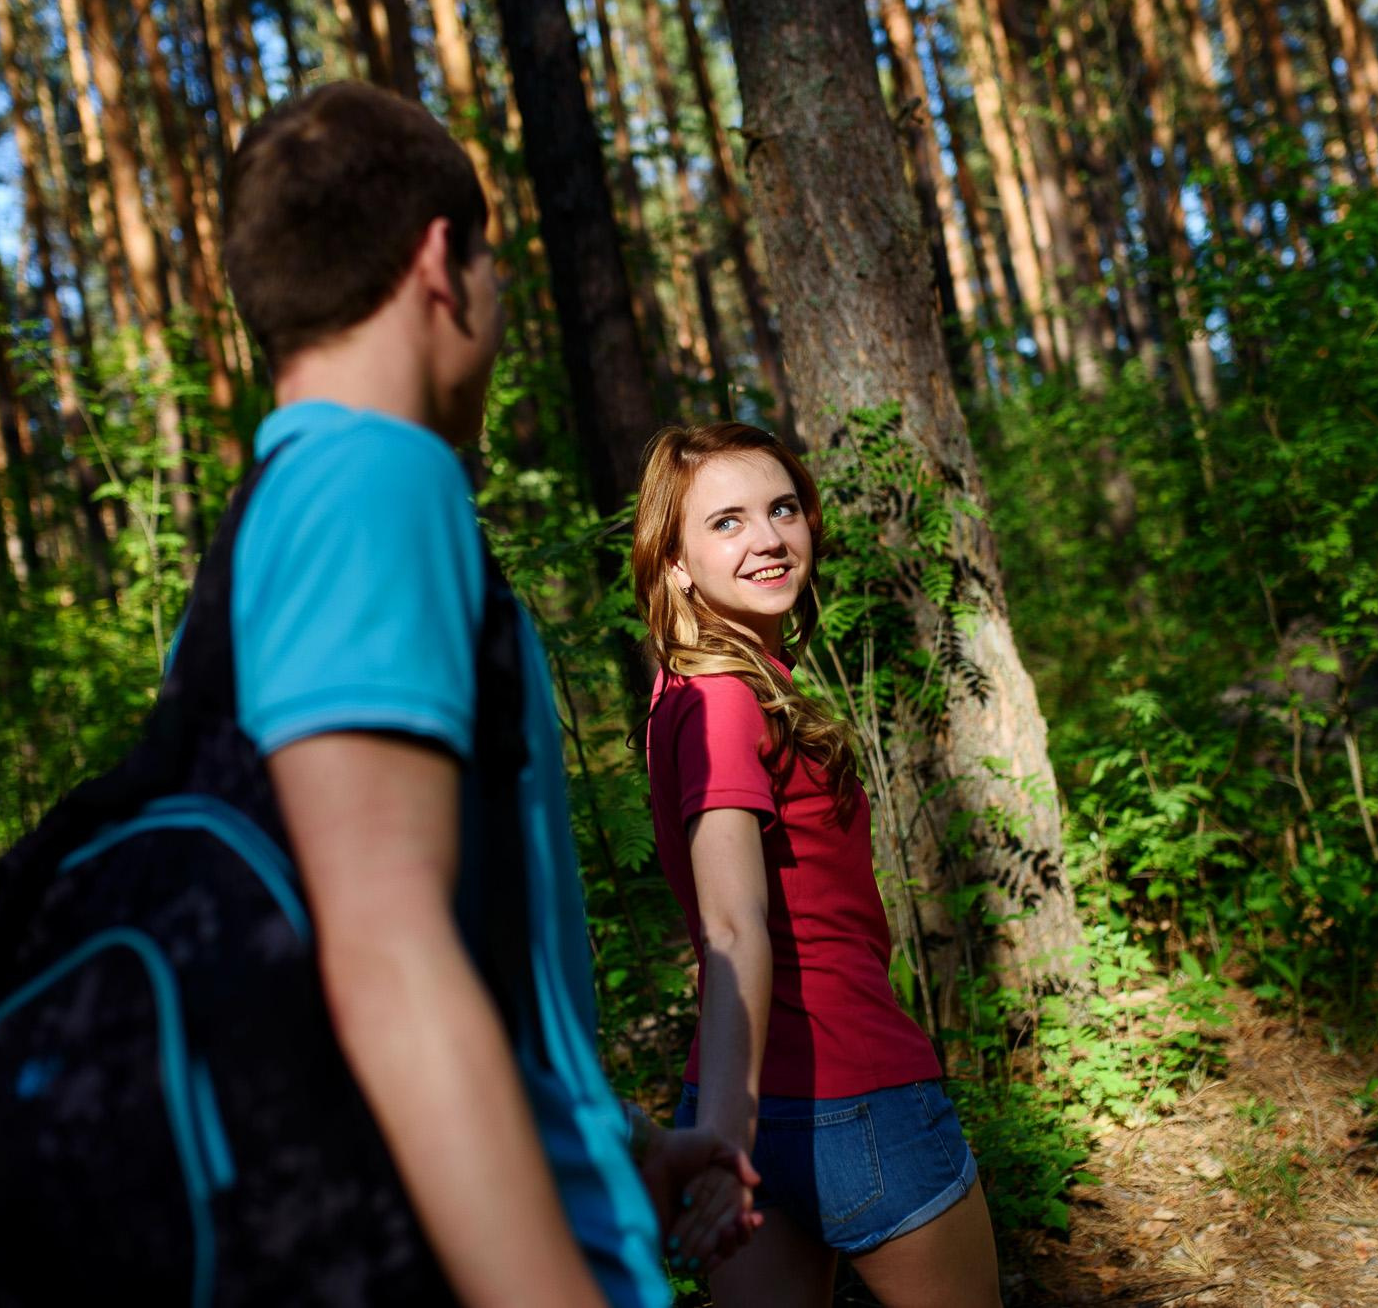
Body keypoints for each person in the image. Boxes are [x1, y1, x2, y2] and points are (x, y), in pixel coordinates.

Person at [220, 82, 754, 1306]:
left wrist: (611, 1140)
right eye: (494, 261)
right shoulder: (373, 483)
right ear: (436, 265)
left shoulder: (280, 525)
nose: (500, 300)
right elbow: (386, 956)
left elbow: (459, 943)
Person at [631, 422, 1004, 1307]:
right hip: (851, 1088)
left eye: (782, 508)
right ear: (675, 560)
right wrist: (726, 1144)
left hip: (757, 1097)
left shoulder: (693, 689)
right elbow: (728, 922)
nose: (767, 538)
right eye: (726, 522)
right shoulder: (725, 699)